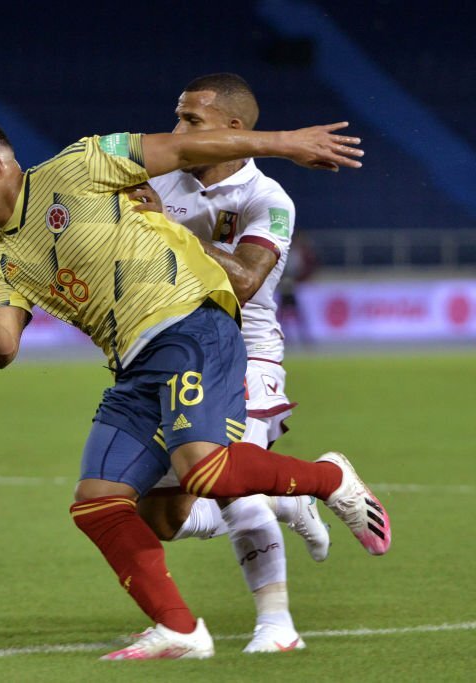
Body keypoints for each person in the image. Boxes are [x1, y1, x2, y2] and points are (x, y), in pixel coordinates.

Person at [0, 119, 390, 660]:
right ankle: (179, 629)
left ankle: (328, 478)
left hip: (190, 321)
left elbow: (184, 146)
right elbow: (3, 350)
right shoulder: (2, 263)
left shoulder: (79, 163)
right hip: (132, 365)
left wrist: (284, 145)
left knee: (205, 469)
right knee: (102, 505)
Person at [127, 72, 327, 653]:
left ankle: (277, 626)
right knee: (159, 517)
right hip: (174, 353)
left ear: (234, 130)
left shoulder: (268, 200)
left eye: (192, 121)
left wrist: (162, 226)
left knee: (229, 481)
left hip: (246, 353)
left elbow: (242, 282)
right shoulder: (158, 179)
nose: (176, 131)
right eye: (177, 117)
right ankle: (287, 495)